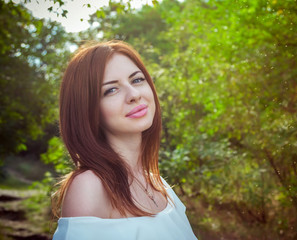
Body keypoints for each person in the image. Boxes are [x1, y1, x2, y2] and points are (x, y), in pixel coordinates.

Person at [52, 41, 197, 240]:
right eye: (111, 90)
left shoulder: (159, 184)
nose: (134, 95)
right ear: (87, 109)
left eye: (137, 80)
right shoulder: (89, 187)